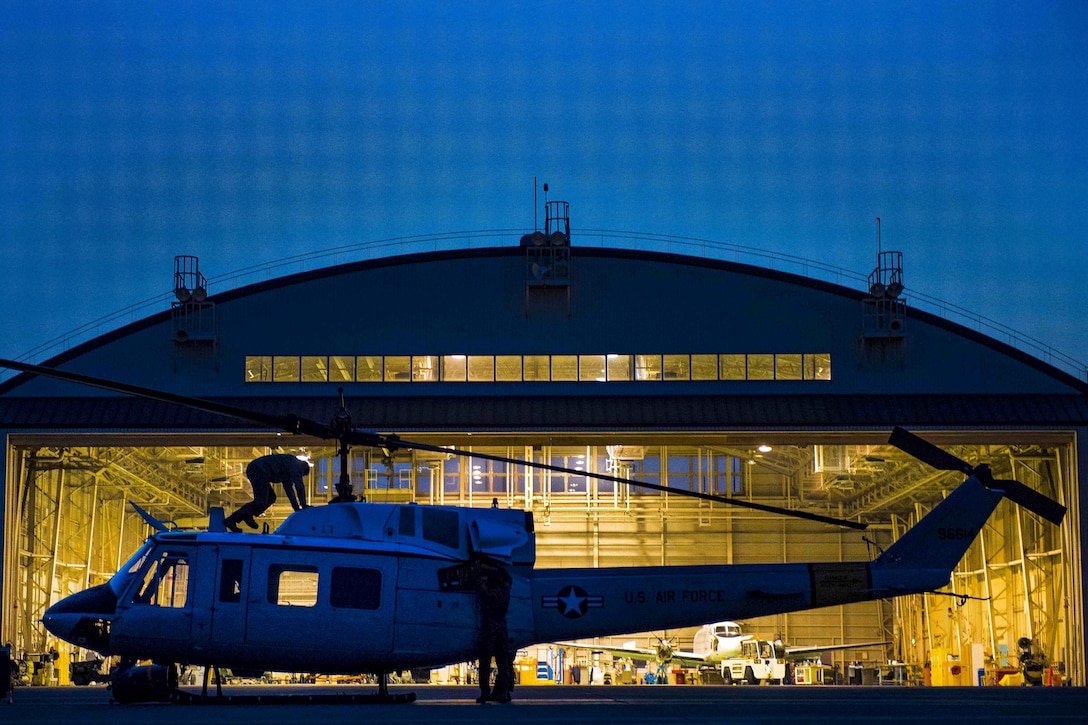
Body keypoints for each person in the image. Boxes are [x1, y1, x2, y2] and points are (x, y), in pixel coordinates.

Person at [223, 453, 311, 532]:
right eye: (301, 474)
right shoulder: (294, 465)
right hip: (258, 470)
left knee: (271, 498)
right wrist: (303, 505)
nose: (299, 476)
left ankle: (247, 514)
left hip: (258, 470)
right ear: (302, 469)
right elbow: (299, 486)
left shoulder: (290, 469)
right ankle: (232, 519)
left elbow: (289, 490)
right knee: (261, 501)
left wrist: (296, 508)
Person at [471, 556, 514, 703]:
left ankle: (485, 692)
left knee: (485, 663)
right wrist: (497, 568)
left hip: (489, 628)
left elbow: (476, 581)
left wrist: (479, 566)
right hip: (502, 628)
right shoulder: (505, 590)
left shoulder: (487, 591)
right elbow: (509, 579)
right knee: (503, 663)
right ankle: (502, 692)